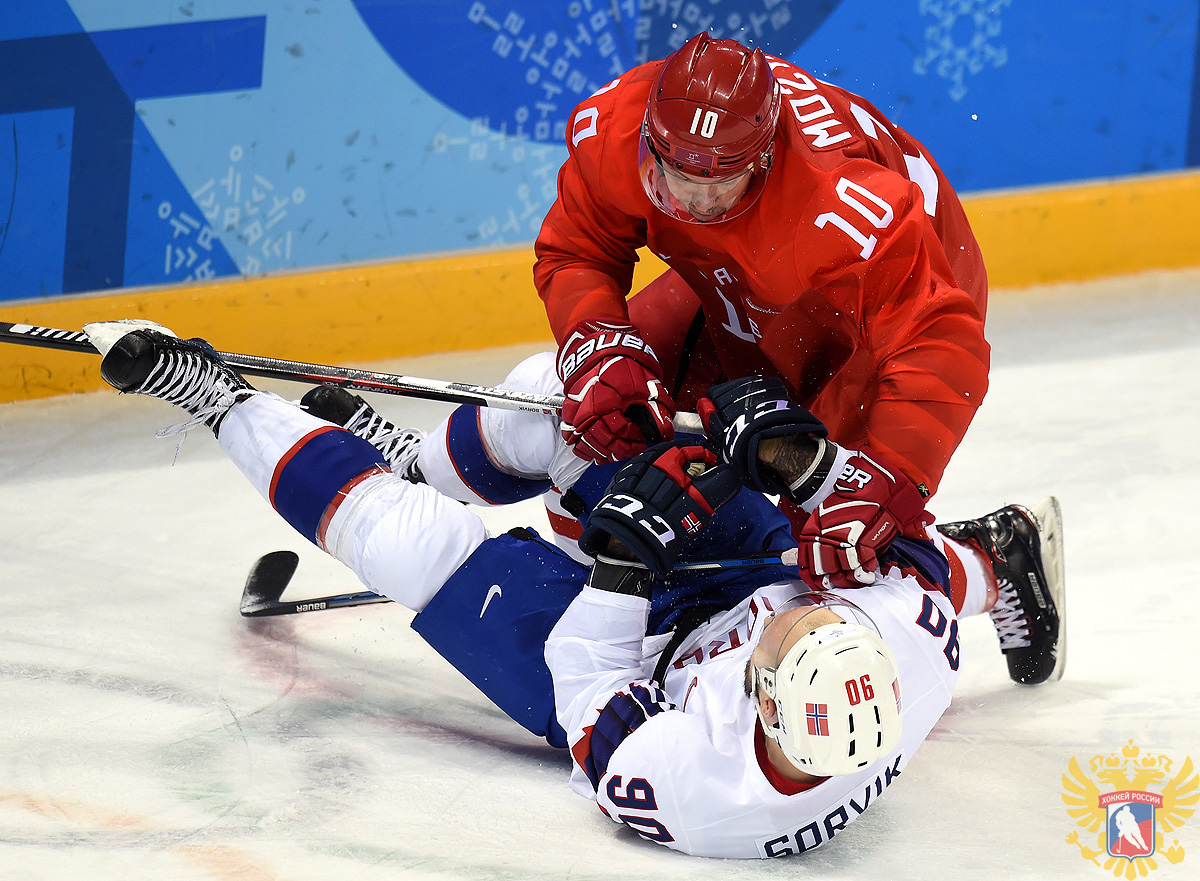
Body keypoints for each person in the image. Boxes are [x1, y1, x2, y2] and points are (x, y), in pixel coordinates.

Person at [83, 321, 1065, 858]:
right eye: (823, 625)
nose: (812, 621)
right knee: (569, 400)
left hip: (633, 659)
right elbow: (908, 553)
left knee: (402, 543)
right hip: (753, 568)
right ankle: (421, 461)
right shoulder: (900, 659)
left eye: (789, 640)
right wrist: (795, 461)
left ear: (760, 708)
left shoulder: (705, 793)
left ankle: (214, 398)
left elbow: (585, 679)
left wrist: (628, 564)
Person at [534, 33, 992, 625]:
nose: (696, 203)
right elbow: (578, 250)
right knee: (602, 410)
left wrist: (891, 476)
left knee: (839, 549)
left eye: (720, 184)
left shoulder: (838, 209)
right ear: (651, 138)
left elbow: (940, 341)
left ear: (767, 155)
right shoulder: (622, 125)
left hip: (870, 318)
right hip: (741, 277)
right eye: (677, 176)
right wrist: (596, 341)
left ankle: (989, 567)